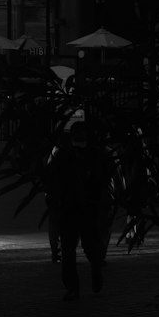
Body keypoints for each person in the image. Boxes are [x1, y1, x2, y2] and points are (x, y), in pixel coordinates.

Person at [46, 119, 116, 300]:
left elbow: (52, 179)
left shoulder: (68, 155)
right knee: (82, 248)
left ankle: (77, 284)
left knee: (76, 249)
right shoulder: (92, 155)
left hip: (77, 209)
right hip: (82, 209)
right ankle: (87, 277)